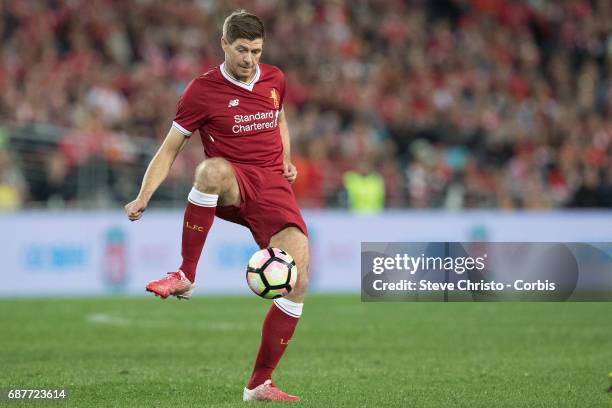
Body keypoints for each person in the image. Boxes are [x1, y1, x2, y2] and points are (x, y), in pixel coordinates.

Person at [124, 10, 308, 402]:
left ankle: (259, 384)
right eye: (241, 50)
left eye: (256, 51)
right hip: (233, 181)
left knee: (297, 279)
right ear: (224, 44)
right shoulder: (201, 91)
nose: (249, 59)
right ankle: (186, 274)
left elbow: (279, 119)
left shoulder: (275, 78)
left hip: (273, 186)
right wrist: (144, 196)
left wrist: (287, 158)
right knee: (209, 171)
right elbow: (170, 148)